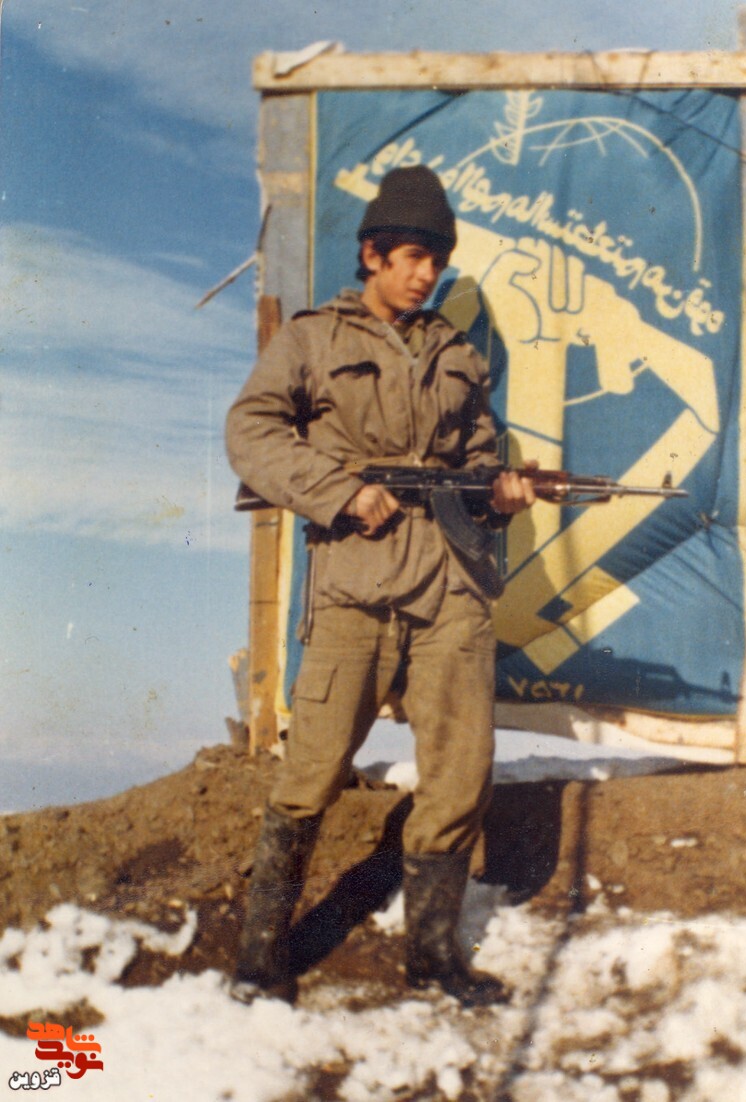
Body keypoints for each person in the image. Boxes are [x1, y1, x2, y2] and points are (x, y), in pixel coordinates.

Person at [225, 165, 536, 1008]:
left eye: (437, 260)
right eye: (412, 257)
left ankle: (434, 957)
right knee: (313, 772)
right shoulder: (313, 340)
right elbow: (251, 430)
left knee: (461, 774)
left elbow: (478, 462)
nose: (426, 274)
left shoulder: (457, 354)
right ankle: (260, 958)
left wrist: (501, 492)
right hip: (355, 590)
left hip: (450, 593)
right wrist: (339, 492)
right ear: (372, 254)